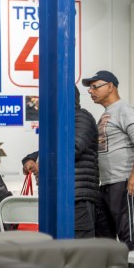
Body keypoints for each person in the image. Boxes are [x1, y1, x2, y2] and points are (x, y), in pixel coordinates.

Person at [82, 69, 134, 268]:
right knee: (105, 235)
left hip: (125, 180)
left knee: (129, 235)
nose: (91, 91)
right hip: (107, 183)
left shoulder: (125, 110)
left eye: (95, 87)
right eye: (90, 88)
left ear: (110, 86)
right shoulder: (105, 115)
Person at [21, 86, 102, 238]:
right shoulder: (61, 122)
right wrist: (31, 160)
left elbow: (72, 149)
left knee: (79, 250)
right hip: (62, 195)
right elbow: (49, 150)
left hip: (77, 197)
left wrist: (43, 165)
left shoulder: (81, 117)